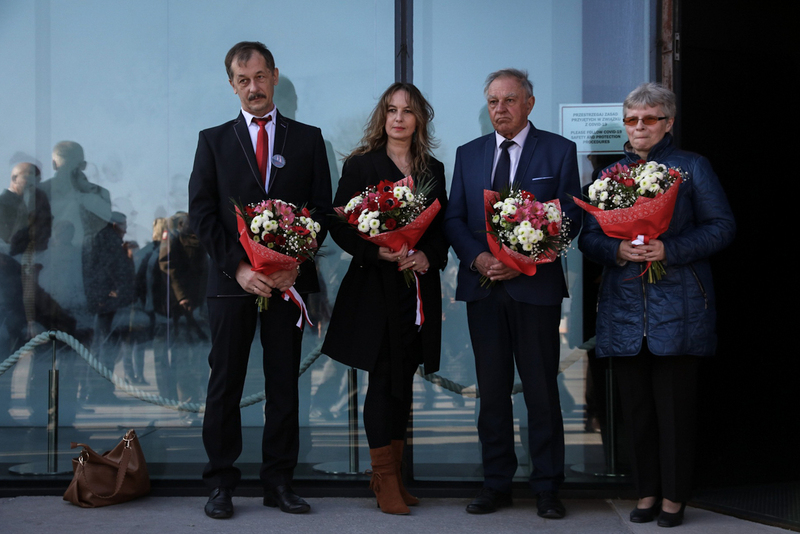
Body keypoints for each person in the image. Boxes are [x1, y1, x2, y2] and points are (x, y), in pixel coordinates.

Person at [578, 82, 735, 528]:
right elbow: (588, 236)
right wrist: (617, 251)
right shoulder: (609, 174)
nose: (640, 127)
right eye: (632, 119)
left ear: (668, 122)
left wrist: (671, 250)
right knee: (637, 415)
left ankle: (673, 499)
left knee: (674, 414)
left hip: (679, 307)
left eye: (649, 119)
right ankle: (645, 493)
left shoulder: (691, 167)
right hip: (624, 309)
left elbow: (722, 226)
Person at [188, 41, 331, 519]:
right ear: (232, 85)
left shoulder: (308, 139)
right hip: (233, 285)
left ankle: (279, 483)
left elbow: (320, 211)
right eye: (243, 80)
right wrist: (241, 268)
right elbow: (203, 214)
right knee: (225, 384)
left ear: (274, 76)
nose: (253, 87)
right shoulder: (212, 140)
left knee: (284, 385)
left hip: (289, 284)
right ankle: (221, 485)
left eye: (260, 77)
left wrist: (297, 262)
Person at [443, 68, 581, 519]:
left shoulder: (559, 151)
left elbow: (571, 219)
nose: (499, 109)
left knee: (542, 392)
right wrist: (479, 259)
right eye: (493, 102)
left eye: (509, 100)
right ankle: (496, 484)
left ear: (529, 103)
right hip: (484, 289)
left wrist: (524, 255)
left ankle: (546, 487)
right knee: (493, 392)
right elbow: (454, 220)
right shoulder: (468, 154)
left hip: (534, 290)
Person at [322, 83, 448, 515]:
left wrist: (428, 257)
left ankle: (393, 474)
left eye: (408, 111)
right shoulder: (361, 165)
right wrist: (374, 249)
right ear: (383, 117)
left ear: (419, 119)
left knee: (403, 383)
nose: (399, 118)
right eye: (392, 110)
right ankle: (385, 480)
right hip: (374, 290)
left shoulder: (434, 169)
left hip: (415, 291)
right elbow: (337, 222)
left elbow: (441, 231)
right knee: (381, 381)